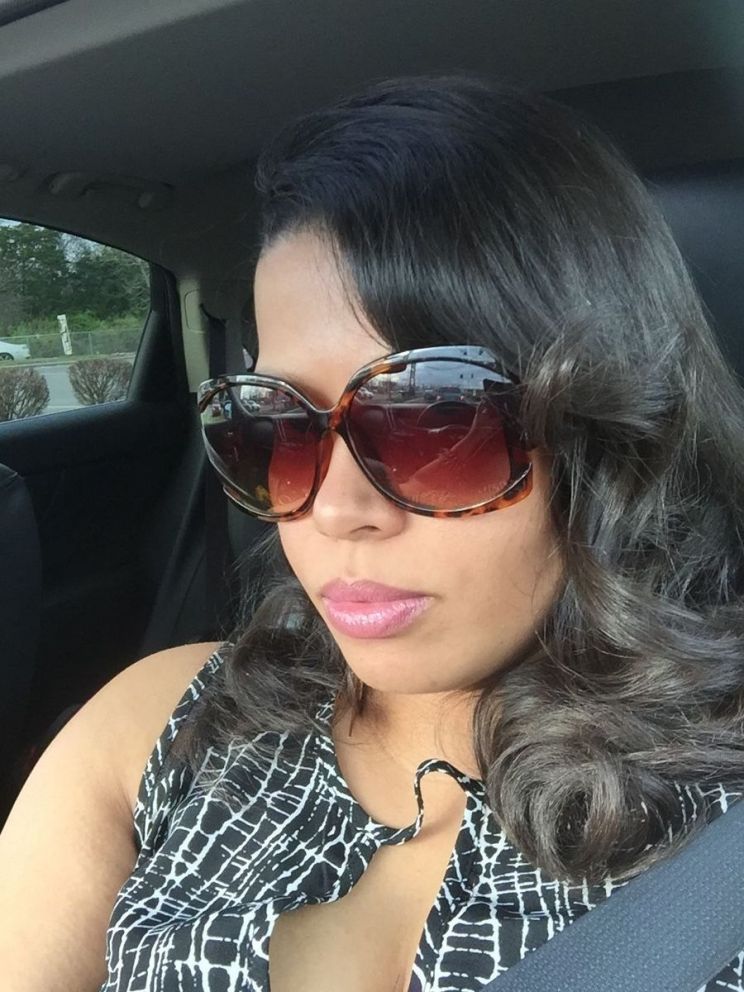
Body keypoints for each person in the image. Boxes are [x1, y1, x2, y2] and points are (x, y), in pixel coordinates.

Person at [2, 73, 744, 992]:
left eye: (436, 417)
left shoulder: (717, 831)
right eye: (272, 421)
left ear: (603, 437)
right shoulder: (159, 726)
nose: (335, 507)